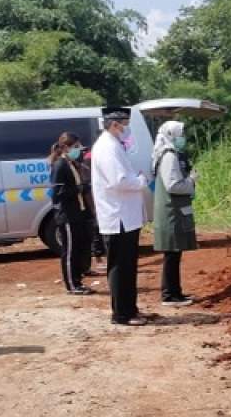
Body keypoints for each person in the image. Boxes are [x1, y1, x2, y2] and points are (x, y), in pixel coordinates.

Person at [91, 106, 149, 326]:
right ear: (115, 125)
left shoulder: (115, 144)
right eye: (125, 125)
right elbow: (119, 181)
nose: (127, 129)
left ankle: (130, 309)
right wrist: (140, 182)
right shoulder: (107, 147)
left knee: (129, 267)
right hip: (118, 218)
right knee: (120, 267)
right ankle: (121, 314)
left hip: (126, 216)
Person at [151, 121, 198, 307]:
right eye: (180, 134)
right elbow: (173, 185)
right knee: (172, 253)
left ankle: (174, 292)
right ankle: (170, 294)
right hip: (172, 211)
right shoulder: (169, 155)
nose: (182, 138)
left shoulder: (168, 153)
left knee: (174, 253)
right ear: (171, 134)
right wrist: (191, 182)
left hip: (173, 210)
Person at [49, 132, 94, 295]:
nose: (78, 150)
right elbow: (58, 191)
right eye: (75, 147)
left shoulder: (72, 163)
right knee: (69, 251)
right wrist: (79, 189)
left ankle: (78, 280)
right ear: (65, 148)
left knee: (79, 248)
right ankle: (72, 285)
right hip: (67, 214)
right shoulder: (60, 165)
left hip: (77, 212)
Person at [78, 149, 106, 276]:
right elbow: (87, 188)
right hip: (90, 203)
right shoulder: (88, 161)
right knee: (95, 231)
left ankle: (96, 260)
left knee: (96, 232)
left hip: (94, 202)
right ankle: (98, 259)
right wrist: (94, 208)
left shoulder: (88, 160)